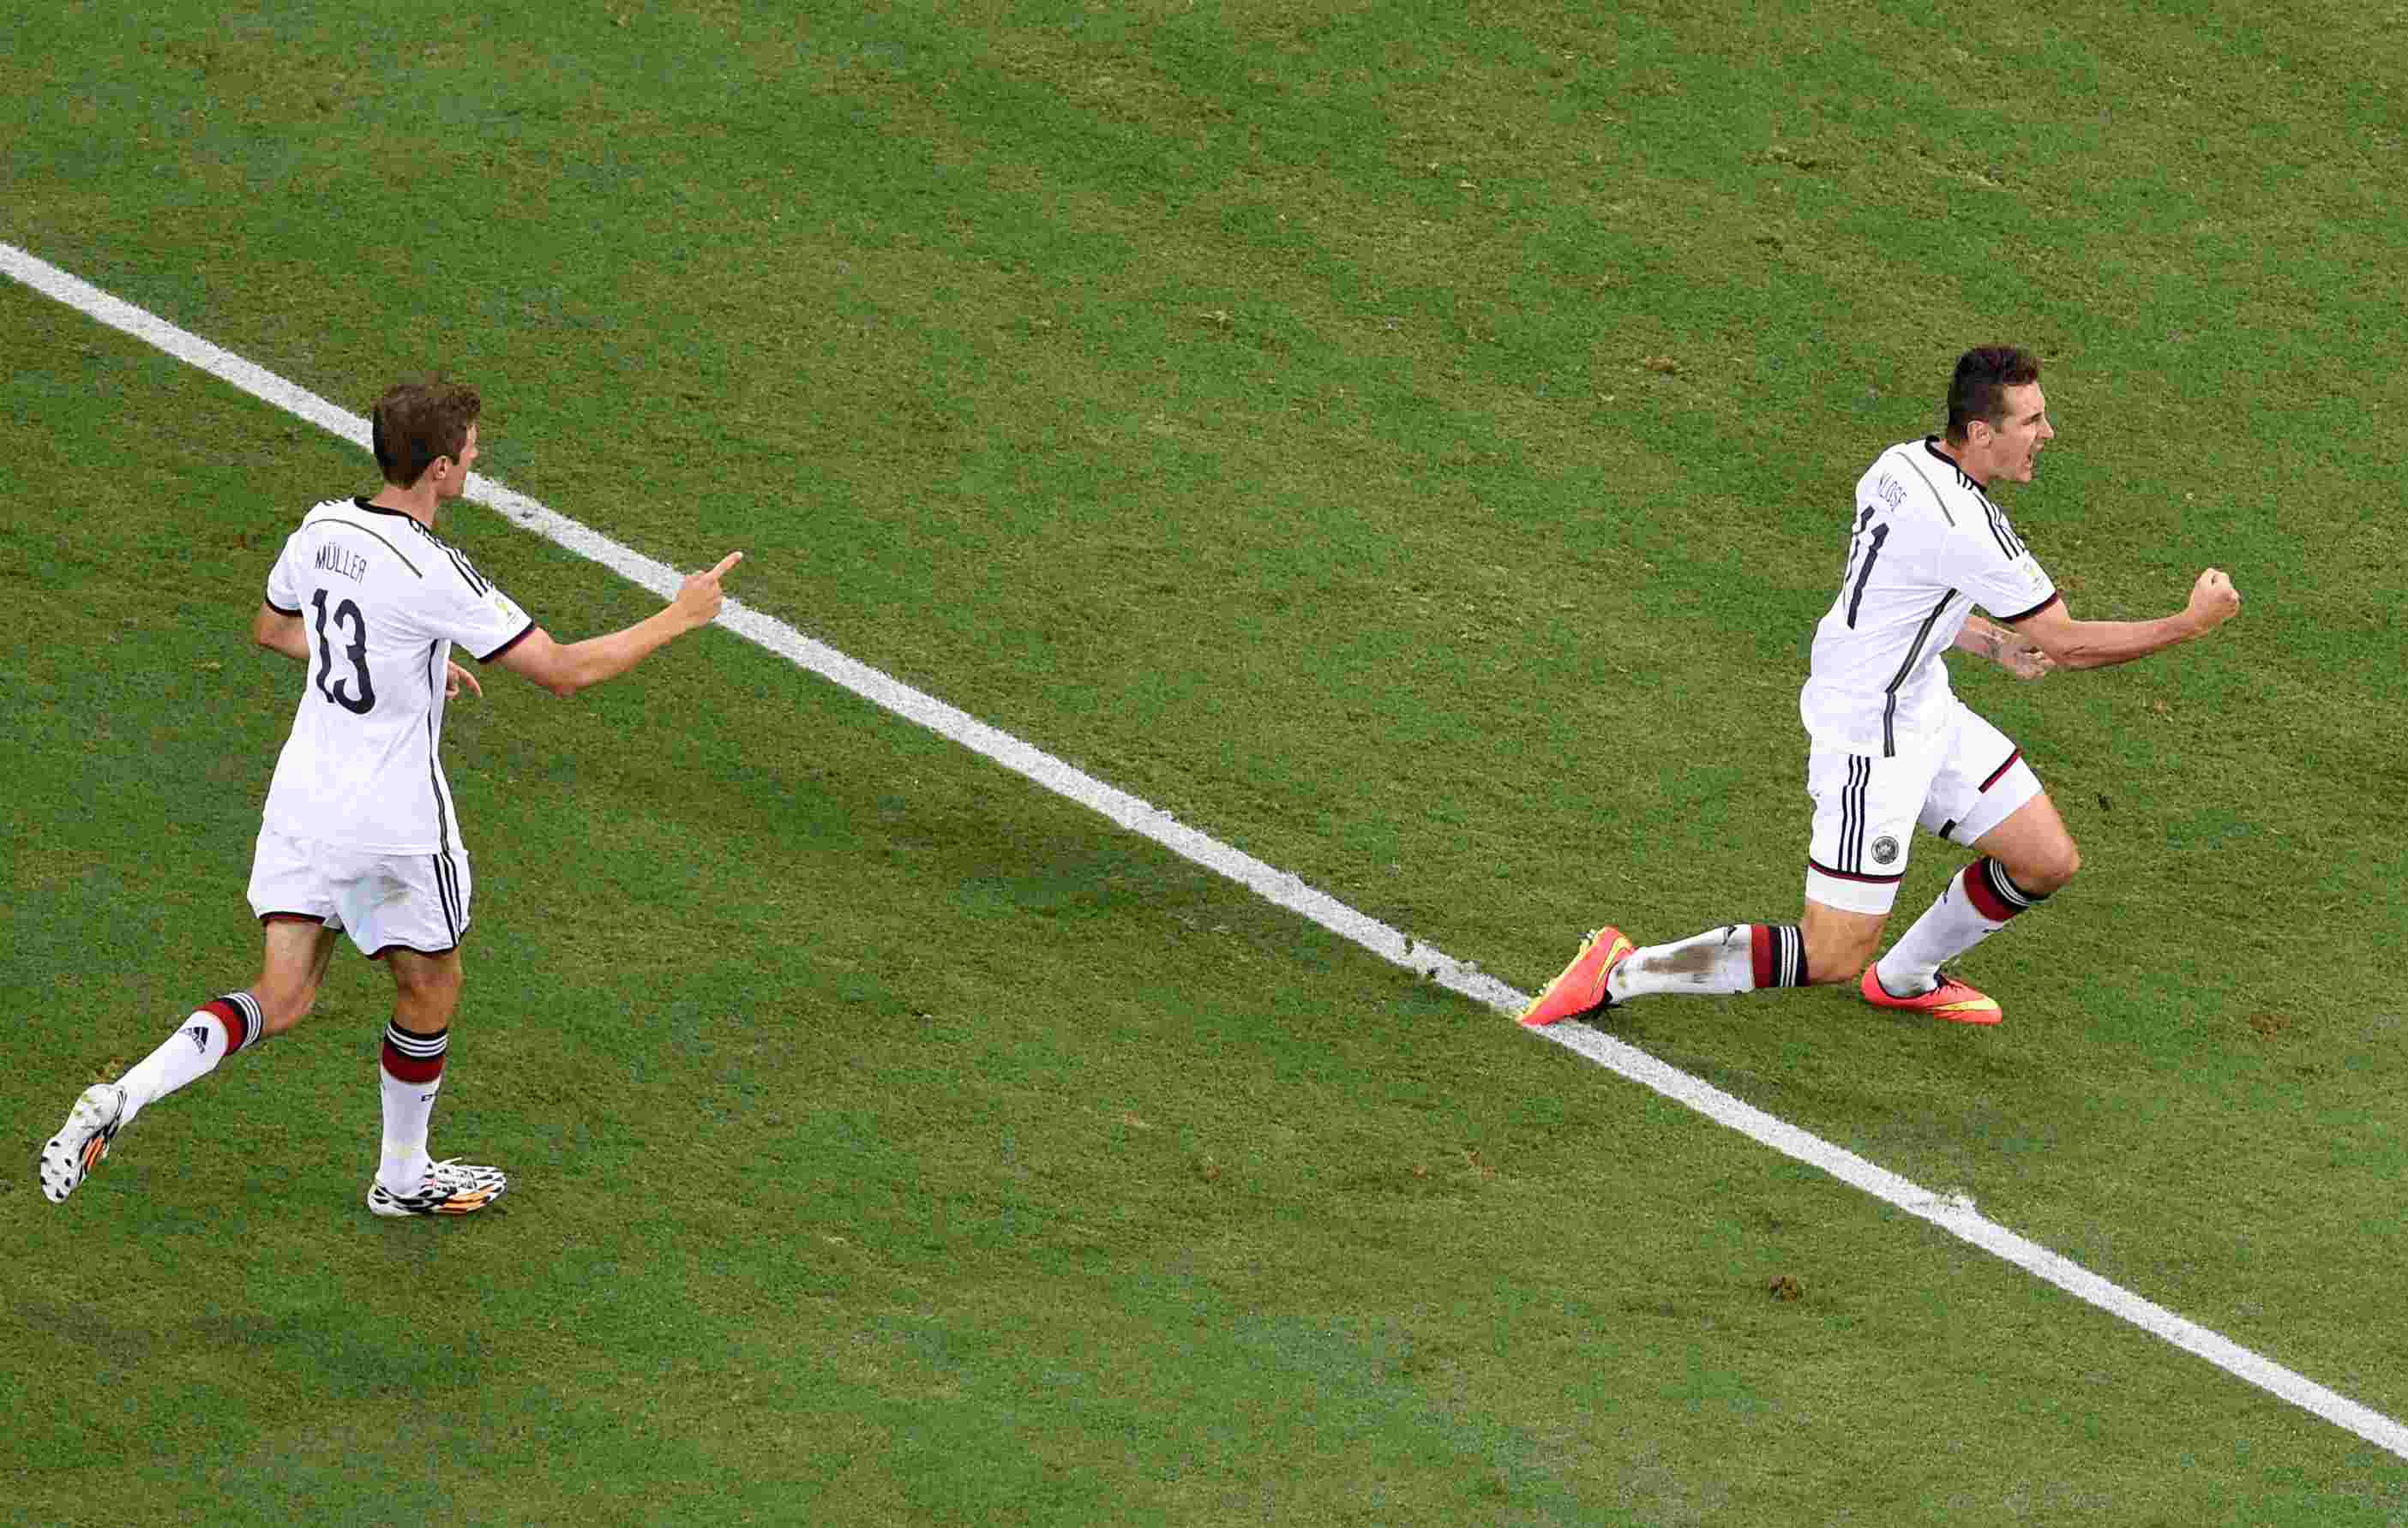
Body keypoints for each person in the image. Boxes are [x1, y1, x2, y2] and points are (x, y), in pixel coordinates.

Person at [39, 379, 742, 1216]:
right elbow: (563, 671)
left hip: (302, 807)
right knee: (432, 986)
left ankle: (126, 1094)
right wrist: (680, 615)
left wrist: (401, 664)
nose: (477, 456)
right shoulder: (435, 571)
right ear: (439, 468)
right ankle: (402, 1176)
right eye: (470, 448)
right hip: (392, 827)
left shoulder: (320, 527)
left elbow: (275, 629)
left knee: (281, 995)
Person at [1520, 345, 2242, 1030]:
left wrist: (1990, 641)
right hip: (1870, 733)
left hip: (1920, 703)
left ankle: (1904, 977)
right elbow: (2069, 644)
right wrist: (2189, 623)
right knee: (1831, 952)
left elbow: (1899, 594)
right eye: (2030, 421)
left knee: (2044, 861)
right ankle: (1622, 970)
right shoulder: (1969, 526)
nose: (2046, 434)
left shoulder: (1899, 464)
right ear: (1981, 432)